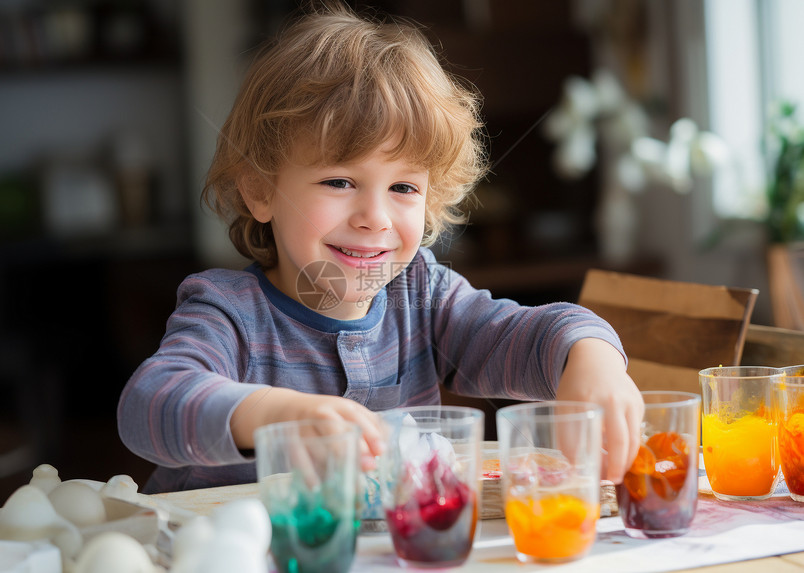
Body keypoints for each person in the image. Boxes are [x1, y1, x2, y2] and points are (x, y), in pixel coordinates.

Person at [117, 3, 644, 494]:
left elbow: (524, 333)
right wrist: (271, 415)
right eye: (340, 181)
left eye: (404, 188)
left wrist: (590, 356)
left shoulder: (426, 297)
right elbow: (149, 404)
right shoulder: (228, 313)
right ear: (260, 190)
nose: (375, 218)